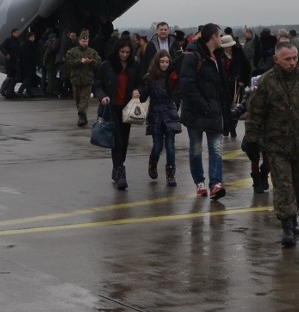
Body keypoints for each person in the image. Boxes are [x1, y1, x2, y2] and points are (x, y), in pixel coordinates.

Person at [242, 42, 299, 247]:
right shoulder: (267, 82)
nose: (292, 62)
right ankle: (288, 225)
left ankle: (294, 211)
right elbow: (255, 113)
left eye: (295, 58)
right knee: (283, 185)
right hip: (277, 144)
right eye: (288, 59)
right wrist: (251, 137)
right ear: (277, 60)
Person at [180, 23, 230, 201]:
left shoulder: (218, 56)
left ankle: (216, 184)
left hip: (214, 112)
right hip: (196, 112)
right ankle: (199, 182)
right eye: (220, 35)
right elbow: (186, 85)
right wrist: (204, 106)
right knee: (195, 149)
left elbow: (222, 86)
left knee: (216, 149)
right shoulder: (192, 56)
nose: (222, 37)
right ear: (213, 37)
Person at [94, 36, 141, 190]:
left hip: (127, 109)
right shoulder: (106, 66)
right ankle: (120, 173)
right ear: (117, 51)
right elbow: (98, 85)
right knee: (118, 140)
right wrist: (103, 96)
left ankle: (117, 168)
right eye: (122, 52)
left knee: (124, 141)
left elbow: (141, 83)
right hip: (112, 107)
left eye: (127, 52)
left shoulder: (134, 66)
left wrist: (138, 91)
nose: (125, 55)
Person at [139, 50, 181, 186]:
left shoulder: (173, 76)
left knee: (170, 146)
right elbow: (143, 96)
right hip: (155, 113)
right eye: (162, 62)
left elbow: (178, 92)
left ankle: (170, 174)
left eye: (167, 62)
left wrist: (176, 104)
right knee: (157, 146)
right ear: (157, 62)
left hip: (169, 111)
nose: (164, 64)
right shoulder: (149, 77)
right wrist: (138, 92)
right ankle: (153, 163)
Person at [66, 30, 101, 126]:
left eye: (86, 41)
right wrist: (79, 61)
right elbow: (69, 62)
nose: (85, 43)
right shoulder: (72, 51)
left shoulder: (92, 52)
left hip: (87, 80)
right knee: (77, 99)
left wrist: (91, 61)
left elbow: (98, 62)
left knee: (84, 99)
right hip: (76, 79)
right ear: (79, 40)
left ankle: (82, 116)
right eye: (83, 41)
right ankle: (82, 115)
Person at [220, 34, 251, 138]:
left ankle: (232, 127)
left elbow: (247, 67)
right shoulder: (219, 54)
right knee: (225, 107)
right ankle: (226, 129)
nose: (228, 48)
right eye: (226, 46)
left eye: (230, 46)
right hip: (224, 84)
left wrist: (243, 80)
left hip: (236, 84)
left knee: (235, 106)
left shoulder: (238, 52)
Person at [17, 31, 38, 97]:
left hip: (24, 64)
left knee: (27, 77)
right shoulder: (31, 45)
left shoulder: (23, 44)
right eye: (33, 36)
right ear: (30, 37)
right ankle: (20, 91)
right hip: (30, 64)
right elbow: (33, 55)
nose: (34, 38)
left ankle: (29, 92)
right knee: (29, 78)